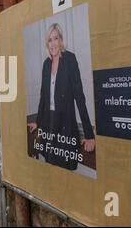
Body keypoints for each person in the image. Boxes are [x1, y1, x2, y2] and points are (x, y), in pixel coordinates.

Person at [27, 23, 95, 170]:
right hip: (48, 123)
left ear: (61, 40)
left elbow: (79, 97)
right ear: (47, 43)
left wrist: (89, 135)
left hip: (65, 123)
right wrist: (38, 122)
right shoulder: (46, 64)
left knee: (65, 166)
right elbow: (43, 97)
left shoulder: (70, 59)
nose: (53, 43)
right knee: (50, 166)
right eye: (50, 40)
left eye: (56, 38)